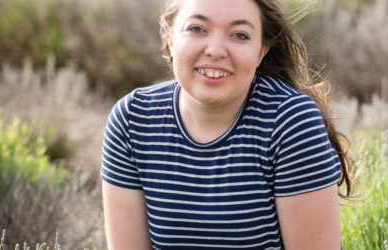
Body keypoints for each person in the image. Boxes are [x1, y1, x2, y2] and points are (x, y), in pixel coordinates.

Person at [101, 0, 353, 249]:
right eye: (197, 28)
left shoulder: (290, 123)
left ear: (261, 52)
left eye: (240, 35)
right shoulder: (132, 120)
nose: (216, 50)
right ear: (170, 39)